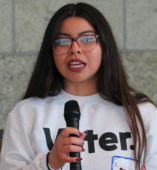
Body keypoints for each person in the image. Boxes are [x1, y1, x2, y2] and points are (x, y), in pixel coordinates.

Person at [0, 2, 157, 170]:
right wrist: (49, 163)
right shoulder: (27, 113)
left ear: (105, 45)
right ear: (50, 51)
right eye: (62, 41)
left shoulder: (142, 112)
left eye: (87, 39)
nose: (75, 49)